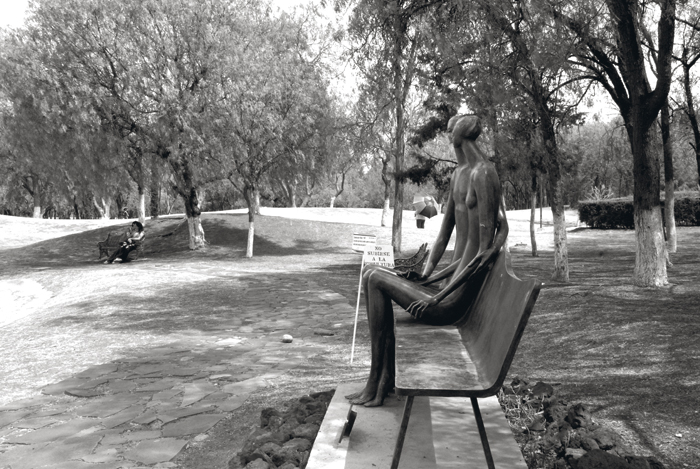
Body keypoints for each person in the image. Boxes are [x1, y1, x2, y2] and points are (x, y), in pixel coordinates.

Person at [346, 115, 509, 407]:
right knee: (371, 271)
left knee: (375, 278)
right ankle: (380, 379)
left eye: (450, 131)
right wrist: (426, 273)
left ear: (457, 136)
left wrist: (437, 297)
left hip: (453, 301)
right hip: (444, 286)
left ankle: (378, 382)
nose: (447, 136)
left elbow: (484, 256)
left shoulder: (485, 175)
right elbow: (445, 234)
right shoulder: (460, 175)